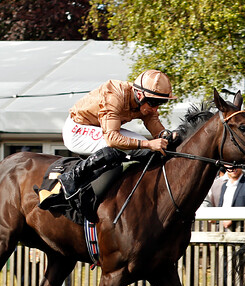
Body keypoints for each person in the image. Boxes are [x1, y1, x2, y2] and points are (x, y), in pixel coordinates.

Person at [57, 69, 180, 199]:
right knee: (119, 148)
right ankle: (71, 177)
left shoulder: (145, 100)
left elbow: (153, 121)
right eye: (154, 103)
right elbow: (111, 139)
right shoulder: (114, 96)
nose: (156, 108)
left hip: (100, 128)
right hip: (77, 130)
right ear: (139, 95)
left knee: (147, 151)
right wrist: (148, 143)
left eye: (161, 103)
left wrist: (165, 135)